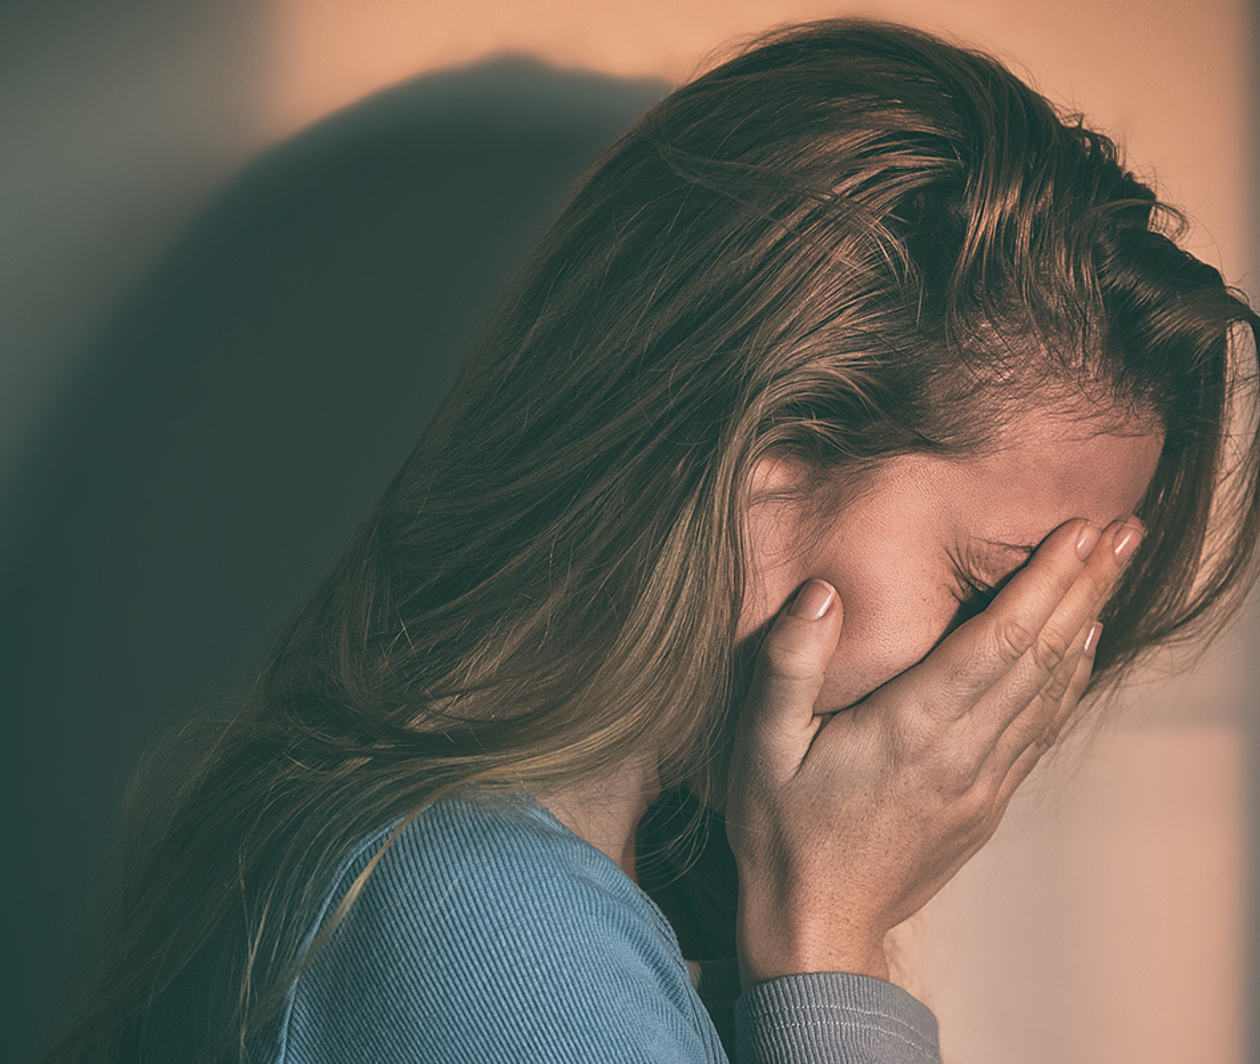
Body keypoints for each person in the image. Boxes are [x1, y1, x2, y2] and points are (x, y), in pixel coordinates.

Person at [38, 16, 1260, 1064]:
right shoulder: (479, 924)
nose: (1018, 681)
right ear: (762, 454)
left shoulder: (498, 882)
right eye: (992, 586)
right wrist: (830, 938)